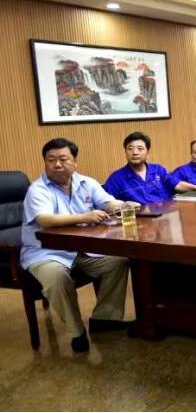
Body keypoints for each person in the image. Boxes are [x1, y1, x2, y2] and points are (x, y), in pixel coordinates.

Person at [21, 138, 133, 353]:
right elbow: (44, 219)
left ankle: (104, 319)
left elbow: (107, 202)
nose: (57, 164)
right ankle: (77, 332)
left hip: (81, 249)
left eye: (63, 159)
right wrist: (84, 217)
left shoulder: (86, 182)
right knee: (57, 277)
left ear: (74, 161)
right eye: (51, 160)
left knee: (118, 262)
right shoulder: (38, 189)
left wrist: (121, 206)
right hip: (45, 253)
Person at [104, 132, 196, 204]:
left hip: (166, 217)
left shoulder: (158, 170)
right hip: (140, 222)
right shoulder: (116, 178)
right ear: (125, 152)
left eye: (140, 149)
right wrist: (122, 205)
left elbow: (177, 184)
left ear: (147, 152)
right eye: (130, 149)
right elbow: (106, 202)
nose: (135, 152)